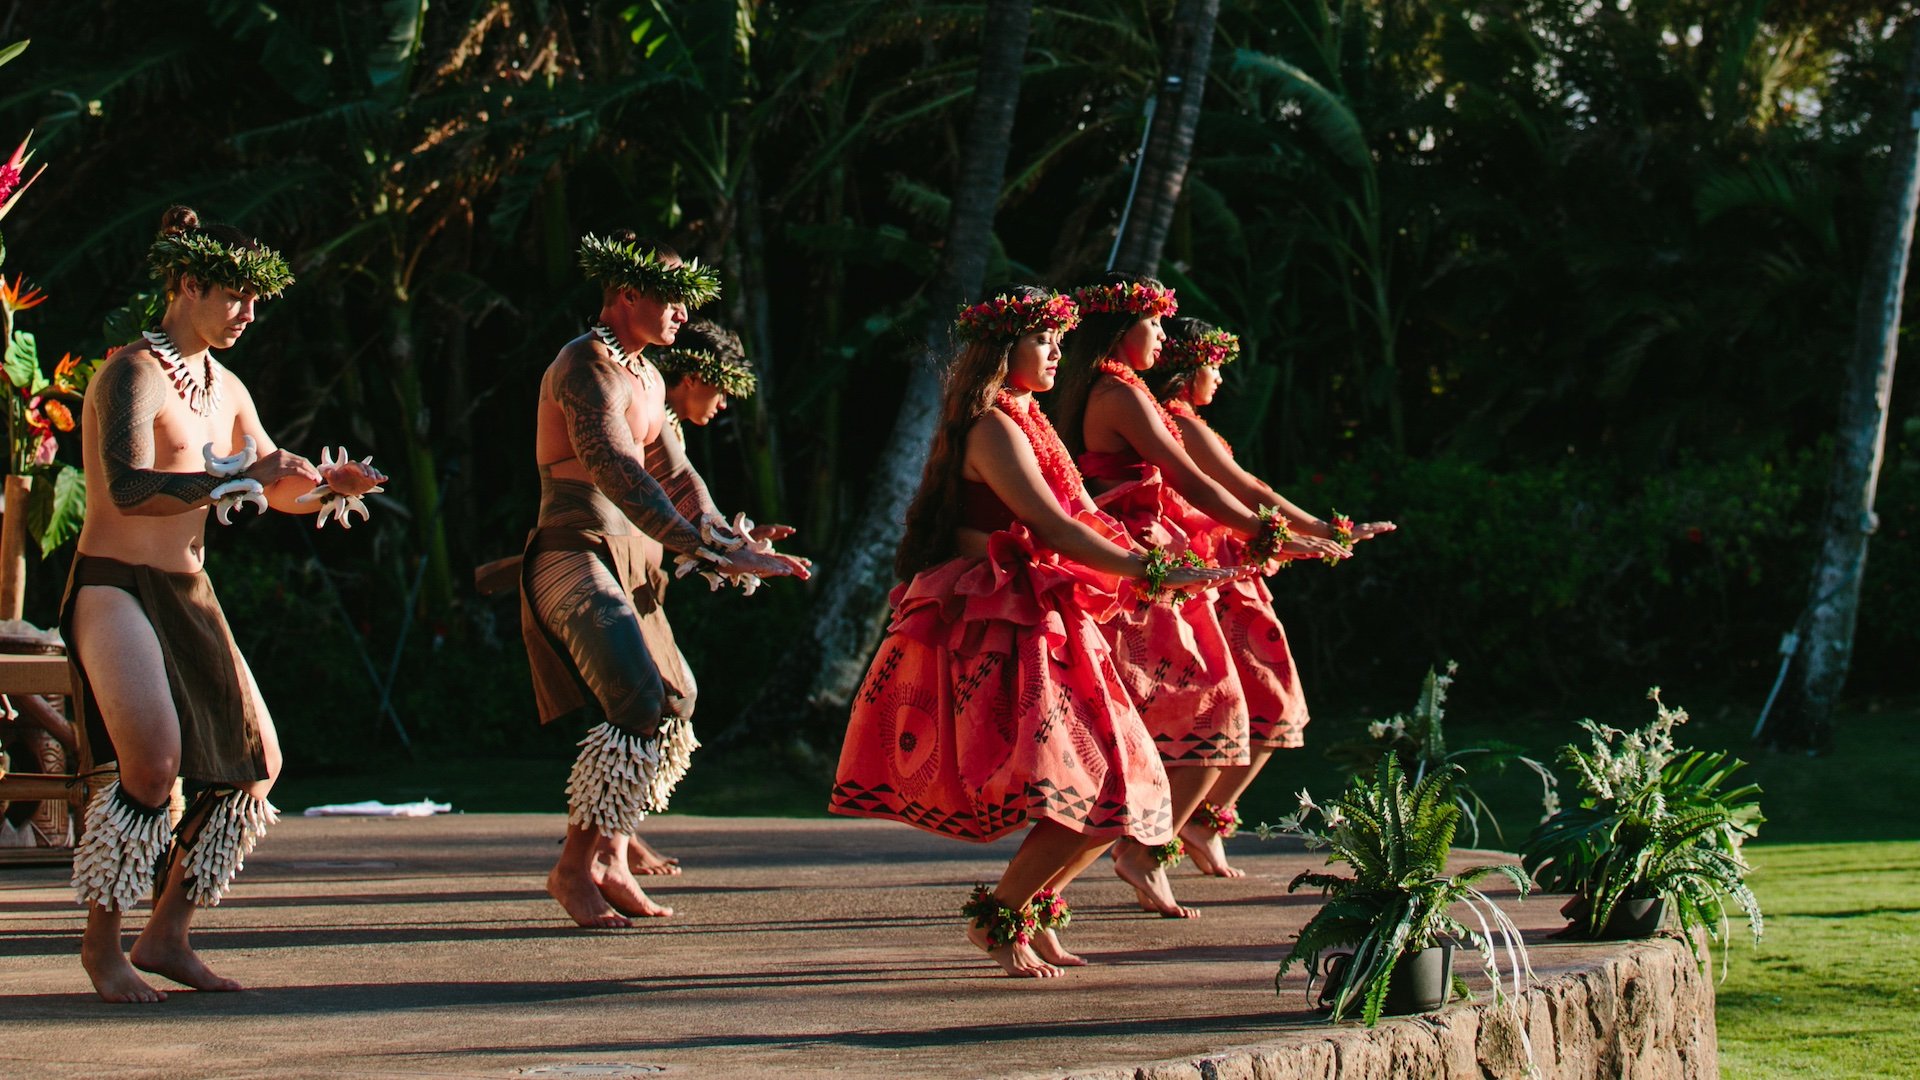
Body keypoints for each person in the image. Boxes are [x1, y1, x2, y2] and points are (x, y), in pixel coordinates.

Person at [829, 286, 1238, 977]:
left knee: (1118, 787)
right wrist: (1150, 568)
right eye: (1043, 340)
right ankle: (1001, 920)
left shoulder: (1027, 418)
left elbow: (1077, 514)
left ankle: (1033, 910)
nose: (1057, 352)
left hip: (1050, 614)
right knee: (1092, 783)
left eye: (1058, 340)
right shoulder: (991, 426)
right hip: (1004, 623)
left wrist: (1155, 568)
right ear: (1002, 351)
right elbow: (1053, 526)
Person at [66, 205, 386, 1003]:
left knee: (259, 766)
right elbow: (132, 487)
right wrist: (234, 478)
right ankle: (101, 947)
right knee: (151, 764)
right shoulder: (131, 374)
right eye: (237, 296)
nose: (249, 314)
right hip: (115, 584)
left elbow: (274, 486)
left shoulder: (227, 385)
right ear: (187, 282)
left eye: (256, 301)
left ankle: (167, 933)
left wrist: (323, 489)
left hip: (187, 589)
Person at [523, 232, 806, 928]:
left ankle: (614, 857)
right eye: (673, 299)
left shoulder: (649, 377)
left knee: (678, 700)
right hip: (574, 548)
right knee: (635, 693)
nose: (684, 313)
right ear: (626, 294)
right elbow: (622, 476)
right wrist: (707, 551)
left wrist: (729, 539)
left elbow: (680, 479)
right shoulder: (584, 367)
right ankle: (571, 870)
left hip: (636, 557)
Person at [1050, 274, 1348, 917]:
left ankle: (1081, 877)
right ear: (1120, 329)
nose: (1161, 335)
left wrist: (1290, 534)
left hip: (1155, 564)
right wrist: (1284, 531)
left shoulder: (1112, 390)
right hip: (1145, 570)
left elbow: (1216, 486)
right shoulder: (1120, 394)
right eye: (1152, 324)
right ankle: (1138, 853)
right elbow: (1203, 483)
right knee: (1213, 715)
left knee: (1174, 722)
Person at [1144, 318, 1394, 876]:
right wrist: (1324, 533)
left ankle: (1201, 822)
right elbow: (1251, 491)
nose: (1221, 381)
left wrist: (1323, 532)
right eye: (1214, 367)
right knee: (1255, 707)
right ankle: (1179, 831)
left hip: (1231, 569)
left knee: (1263, 709)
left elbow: (1252, 491)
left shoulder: (1184, 423)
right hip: (1219, 580)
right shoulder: (1180, 425)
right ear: (1187, 371)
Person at [613, 318, 800, 876]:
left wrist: (742, 544)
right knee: (648, 702)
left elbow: (684, 517)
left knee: (650, 704)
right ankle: (610, 840)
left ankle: (619, 833)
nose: (722, 406)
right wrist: (732, 549)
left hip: (640, 571)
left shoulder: (664, 421)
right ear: (693, 377)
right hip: (617, 567)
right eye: (720, 392)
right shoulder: (648, 418)